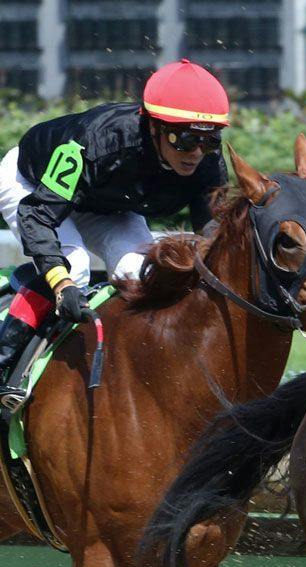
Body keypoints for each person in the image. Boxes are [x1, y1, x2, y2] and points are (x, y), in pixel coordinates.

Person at [0, 58, 229, 409]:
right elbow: (38, 214)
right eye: (185, 140)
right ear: (154, 126)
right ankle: (5, 364)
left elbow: (214, 232)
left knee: (138, 272)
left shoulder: (207, 163)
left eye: (209, 141)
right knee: (72, 266)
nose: (197, 153)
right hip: (32, 187)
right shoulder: (97, 143)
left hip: (108, 204)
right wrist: (61, 284)